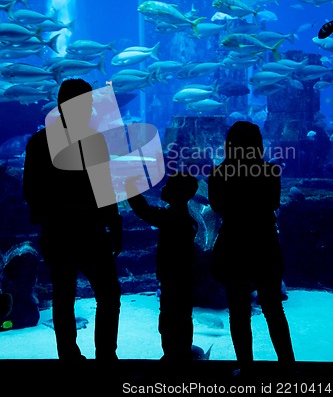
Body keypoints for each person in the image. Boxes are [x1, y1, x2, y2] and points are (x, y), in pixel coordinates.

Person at [23, 78, 122, 361]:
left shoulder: (39, 142)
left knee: (63, 296)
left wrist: (44, 216)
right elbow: (105, 186)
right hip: (90, 231)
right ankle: (106, 354)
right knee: (108, 295)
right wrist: (114, 223)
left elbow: (31, 189)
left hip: (57, 231)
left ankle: (68, 354)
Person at [208, 121, 295, 373]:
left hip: (233, 242)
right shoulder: (270, 172)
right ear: (257, 145)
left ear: (229, 145)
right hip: (264, 242)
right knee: (273, 309)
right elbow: (273, 203)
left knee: (238, 310)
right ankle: (288, 367)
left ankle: (246, 368)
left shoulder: (219, 174)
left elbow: (217, 207)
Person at [125, 171, 198, 362]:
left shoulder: (171, 218)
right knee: (182, 317)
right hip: (183, 278)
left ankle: (174, 356)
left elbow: (144, 211)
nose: (164, 188)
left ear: (179, 192)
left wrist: (130, 188)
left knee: (170, 318)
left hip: (173, 278)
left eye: (169, 185)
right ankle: (182, 353)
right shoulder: (186, 219)